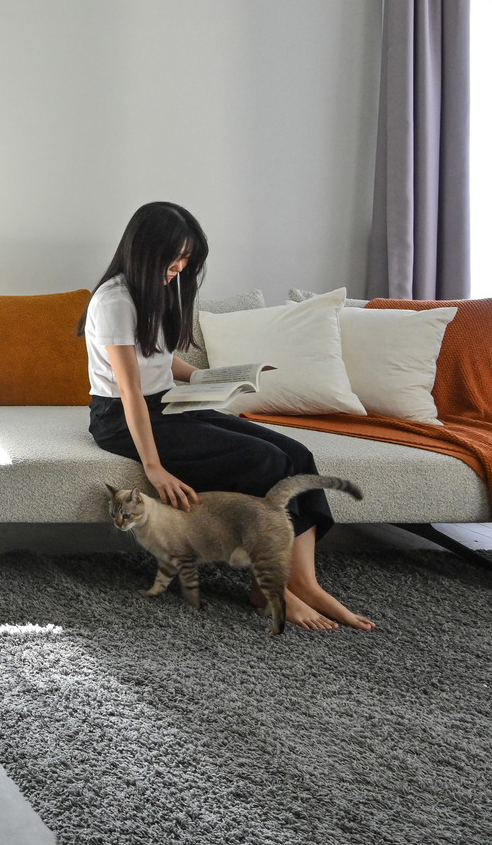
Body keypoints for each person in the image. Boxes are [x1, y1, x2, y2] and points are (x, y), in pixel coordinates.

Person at [81, 201, 373, 631]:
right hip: (121, 416)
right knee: (264, 462)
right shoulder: (114, 302)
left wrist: (207, 377)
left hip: (164, 402)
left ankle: (305, 582)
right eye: (174, 256)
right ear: (145, 250)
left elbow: (159, 361)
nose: (180, 267)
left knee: (295, 453)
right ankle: (270, 586)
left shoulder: (155, 291)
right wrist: (154, 468)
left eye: (186, 258)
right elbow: (129, 391)